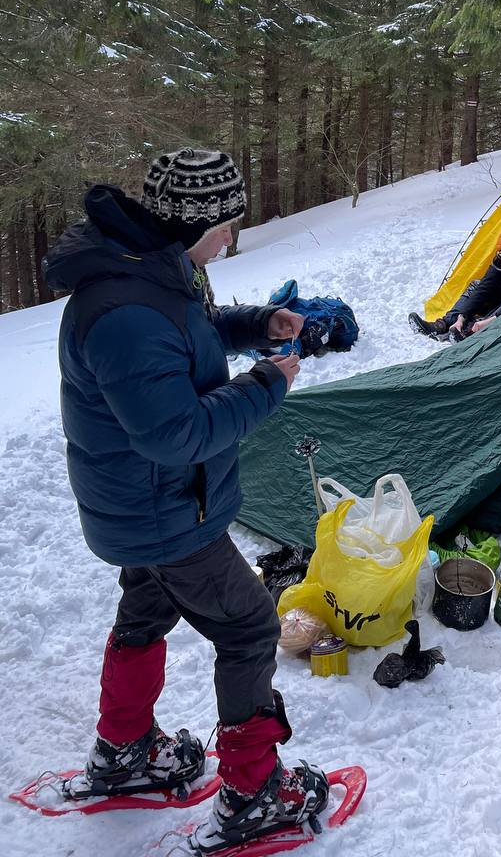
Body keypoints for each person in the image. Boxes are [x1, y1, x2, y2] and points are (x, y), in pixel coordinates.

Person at [42, 147, 330, 851]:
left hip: (154, 505)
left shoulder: (154, 267)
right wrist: (266, 384)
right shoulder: (124, 312)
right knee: (250, 629)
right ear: (195, 222)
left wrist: (254, 325)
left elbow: (186, 336)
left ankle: (124, 751)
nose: (232, 236)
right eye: (228, 223)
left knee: (148, 606)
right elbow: (176, 434)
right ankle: (252, 795)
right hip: (165, 508)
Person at [409, 227, 501, 342]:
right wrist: (462, 316)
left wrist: (489, 321)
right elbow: (485, 287)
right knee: (476, 284)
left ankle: (473, 331)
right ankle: (443, 325)